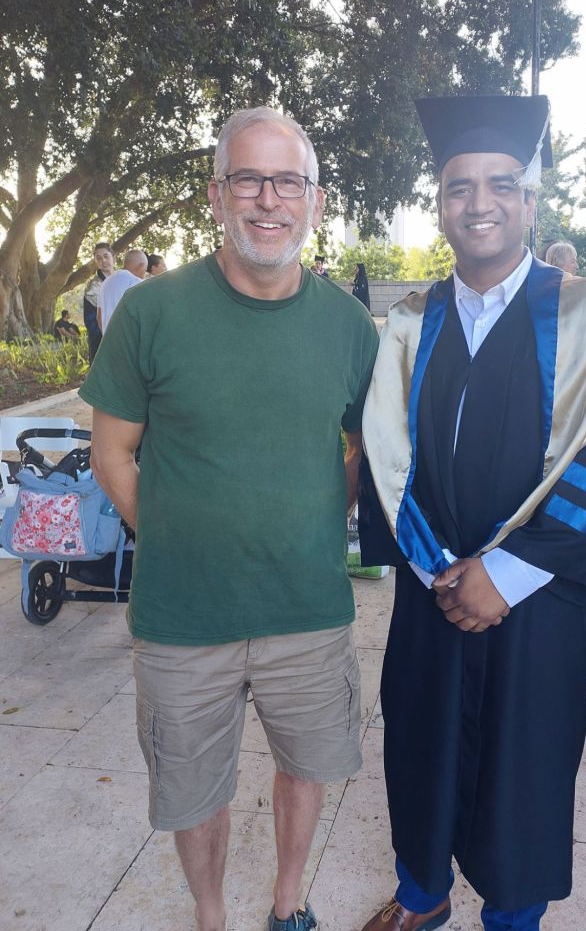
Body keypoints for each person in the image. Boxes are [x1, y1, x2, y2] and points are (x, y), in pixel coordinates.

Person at [79, 106, 379, 931]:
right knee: (193, 789)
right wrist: (176, 541)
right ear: (217, 196)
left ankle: (289, 904)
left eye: (289, 181)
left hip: (307, 610)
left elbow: (365, 448)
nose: (268, 199)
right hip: (184, 619)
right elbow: (112, 457)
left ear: (315, 201)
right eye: (249, 178)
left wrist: (319, 518)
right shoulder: (151, 312)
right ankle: (210, 917)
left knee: (304, 767)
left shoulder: (350, 327)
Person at [357, 94, 586, 931]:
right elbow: (384, 452)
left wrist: (506, 574)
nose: (478, 202)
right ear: (440, 204)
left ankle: (512, 918)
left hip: (543, 594)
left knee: (528, 758)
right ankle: (423, 897)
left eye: (499, 184)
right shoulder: (410, 322)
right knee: (419, 739)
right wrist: (441, 571)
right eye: (458, 187)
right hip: (432, 581)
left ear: (528, 200)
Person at [96, 249, 148, 331]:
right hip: (130, 341)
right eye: (145, 270)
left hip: (108, 340)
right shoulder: (137, 283)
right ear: (141, 265)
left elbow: (99, 318)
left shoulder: (106, 283)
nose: (144, 275)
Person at [83, 242, 115, 362]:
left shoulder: (122, 278)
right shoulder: (93, 287)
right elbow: (91, 321)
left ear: (113, 257)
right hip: (102, 339)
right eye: (99, 258)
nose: (103, 261)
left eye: (106, 256)